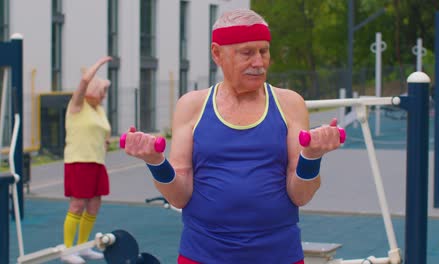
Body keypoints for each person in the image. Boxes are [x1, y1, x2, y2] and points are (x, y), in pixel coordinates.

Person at [123, 9, 341, 264]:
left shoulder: (290, 104)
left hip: (278, 255)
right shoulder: (191, 106)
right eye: (247, 53)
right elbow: (179, 196)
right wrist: (155, 161)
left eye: (264, 51)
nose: (259, 62)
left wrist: (312, 156)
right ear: (217, 53)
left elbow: (301, 196)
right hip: (203, 255)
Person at [61, 56, 112, 264]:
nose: (104, 95)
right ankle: (68, 250)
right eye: (103, 91)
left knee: (94, 204)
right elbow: (83, 82)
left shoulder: (98, 110)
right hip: (78, 161)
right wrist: (99, 65)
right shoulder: (77, 105)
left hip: (97, 162)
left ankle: (82, 247)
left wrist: (105, 143)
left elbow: (102, 133)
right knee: (77, 204)